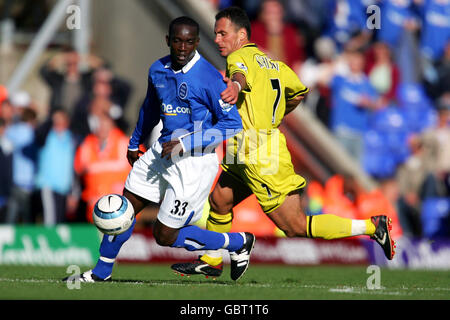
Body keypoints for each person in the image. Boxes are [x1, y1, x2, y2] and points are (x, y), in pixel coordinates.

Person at [171, 7, 396, 279]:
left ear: (242, 35)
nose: (217, 39)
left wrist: (237, 87)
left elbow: (240, 76)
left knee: (295, 226)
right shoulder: (273, 63)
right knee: (219, 200)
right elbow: (298, 92)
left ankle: (373, 228)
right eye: (216, 33)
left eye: (223, 33)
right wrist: (272, 114)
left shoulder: (238, 57)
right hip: (243, 150)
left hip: (258, 154)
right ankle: (211, 260)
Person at [64, 16, 253, 283]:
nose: (183, 47)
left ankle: (237, 242)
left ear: (197, 43)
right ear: (168, 41)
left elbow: (232, 125)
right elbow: (150, 108)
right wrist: (135, 141)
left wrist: (185, 142)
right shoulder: (158, 70)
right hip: (161, 152)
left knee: (164, 236)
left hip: (194, 164)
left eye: (189, 42)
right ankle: (100, 273)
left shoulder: (209, 77)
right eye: (177, 41)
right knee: (123, 210)